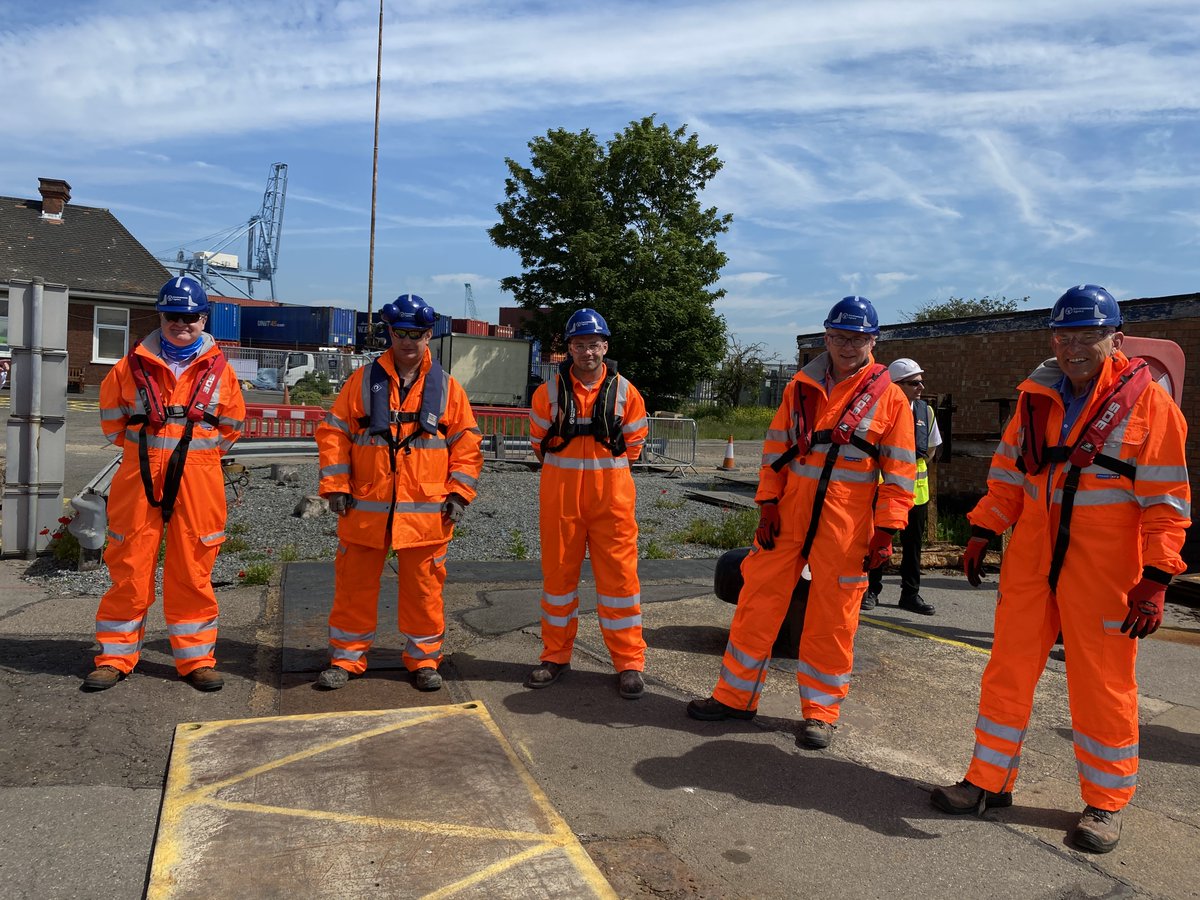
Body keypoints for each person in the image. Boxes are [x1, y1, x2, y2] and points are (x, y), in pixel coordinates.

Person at [931, 285, 1190, 854]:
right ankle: (987, 781)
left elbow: (1167, 499)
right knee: (1007, 671)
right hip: (1031, 563)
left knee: (1102, 685)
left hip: (1105, 573)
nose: (1074, 346)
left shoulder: (1152, 405)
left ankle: (1106, 803)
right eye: (1065, 334)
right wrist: (982, 528)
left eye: (1088, 335)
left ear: (1114, 339)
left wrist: (1157, 576)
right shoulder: (1035, 398)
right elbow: (1010, 475)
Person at [687, 296, 916, 749]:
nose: (846, 346)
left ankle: (820, 713)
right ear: (825, 337)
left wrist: (887, 530)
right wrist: (768, 502)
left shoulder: (890, 398)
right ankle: (735, 697)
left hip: (847, 525)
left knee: (833, 619)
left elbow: (900, 472)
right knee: (756, 602)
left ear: (873, 340)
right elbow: (776, 450)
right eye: (837, 337)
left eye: (856, 338)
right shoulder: (800, 387)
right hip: (788, 516)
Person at [314, 294, 482, 692]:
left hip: (426, 513)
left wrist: (459, 494)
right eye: (401, 333)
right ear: (390, 333)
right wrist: (335, 485)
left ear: (429, 335)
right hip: (365, 507)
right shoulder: (361, 381)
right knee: (354, 588)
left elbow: (467, 445)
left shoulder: (448, 390)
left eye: (417, 334)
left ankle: (424, 659)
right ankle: (346, 658)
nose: (408, 341)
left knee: (423, 591)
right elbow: (334, 433)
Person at [85, 276, 245, 691]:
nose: (182, 324)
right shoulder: (128, 366)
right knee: (129, 567)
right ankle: (115, 657)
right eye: (174, 316)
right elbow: (111, 423)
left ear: (203, 318)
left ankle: (196, 661)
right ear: (161, 315)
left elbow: (231, 426)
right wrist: (155, 452)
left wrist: (193, 457)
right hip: (139, 478)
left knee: (194, 570)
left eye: (190, 317)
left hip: (200, 481)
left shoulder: (221, 372)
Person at [524, 308, 650, 699]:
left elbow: (634, 449)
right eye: (579, 345)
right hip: (562, 501)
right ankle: (555, 656)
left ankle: (629, 663)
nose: (587, 352)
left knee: (621, 585)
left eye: (594, 344)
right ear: (569, 349)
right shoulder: (547, 394)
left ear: (605, 347)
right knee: (558, 582)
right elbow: (537, 445)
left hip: (611, 502)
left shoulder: (627, 393)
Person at [862, 358, 941, 615]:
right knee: (878, 542)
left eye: (921, 381)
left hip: (915, 493)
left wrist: (909, 467)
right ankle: (871, 590)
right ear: (896, 385)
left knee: (913, 546)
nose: (920, 386)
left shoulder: (925, 411)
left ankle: (910, 594)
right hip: (884, 491)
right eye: (913, 382)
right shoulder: (880, 408)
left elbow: (931, 447)